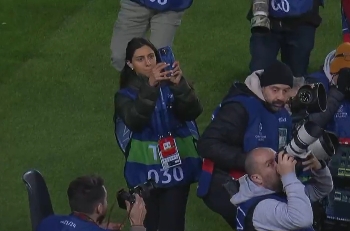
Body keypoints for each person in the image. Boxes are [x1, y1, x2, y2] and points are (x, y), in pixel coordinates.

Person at [114, 38, 203, 231]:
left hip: (177, 169)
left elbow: (193, 112)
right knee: (150, 226)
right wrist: (150, 86)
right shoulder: (124, 96)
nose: (148, 63)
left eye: (151, 56)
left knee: (172, 226)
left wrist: (180, 86)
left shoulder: (171, 85)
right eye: (140, 59)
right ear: (130, 64)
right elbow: (135, 120)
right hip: (144, 171)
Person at [196, 60, 295, 228]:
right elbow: (207, 144)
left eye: (285, 91)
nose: (280, 97)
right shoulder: (239, 108)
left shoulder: (282, 112)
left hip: (260, 182)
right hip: (224, 182)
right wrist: (251, 163)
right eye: (275, 89)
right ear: (263, 86)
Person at [230, 148, 333, 231]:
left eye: (276, 159)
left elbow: (322, 188)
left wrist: (318, 168)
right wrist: (288, 175)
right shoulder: (261, 209)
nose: (278, 165)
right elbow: (302, 219)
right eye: (270, 164)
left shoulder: (277, 190)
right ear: (257, 178)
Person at [37, 175, 146, 231]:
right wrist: (138, 224)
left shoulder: (47, 222)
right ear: (99, 208)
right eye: (105, 200)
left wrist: (96, 227)